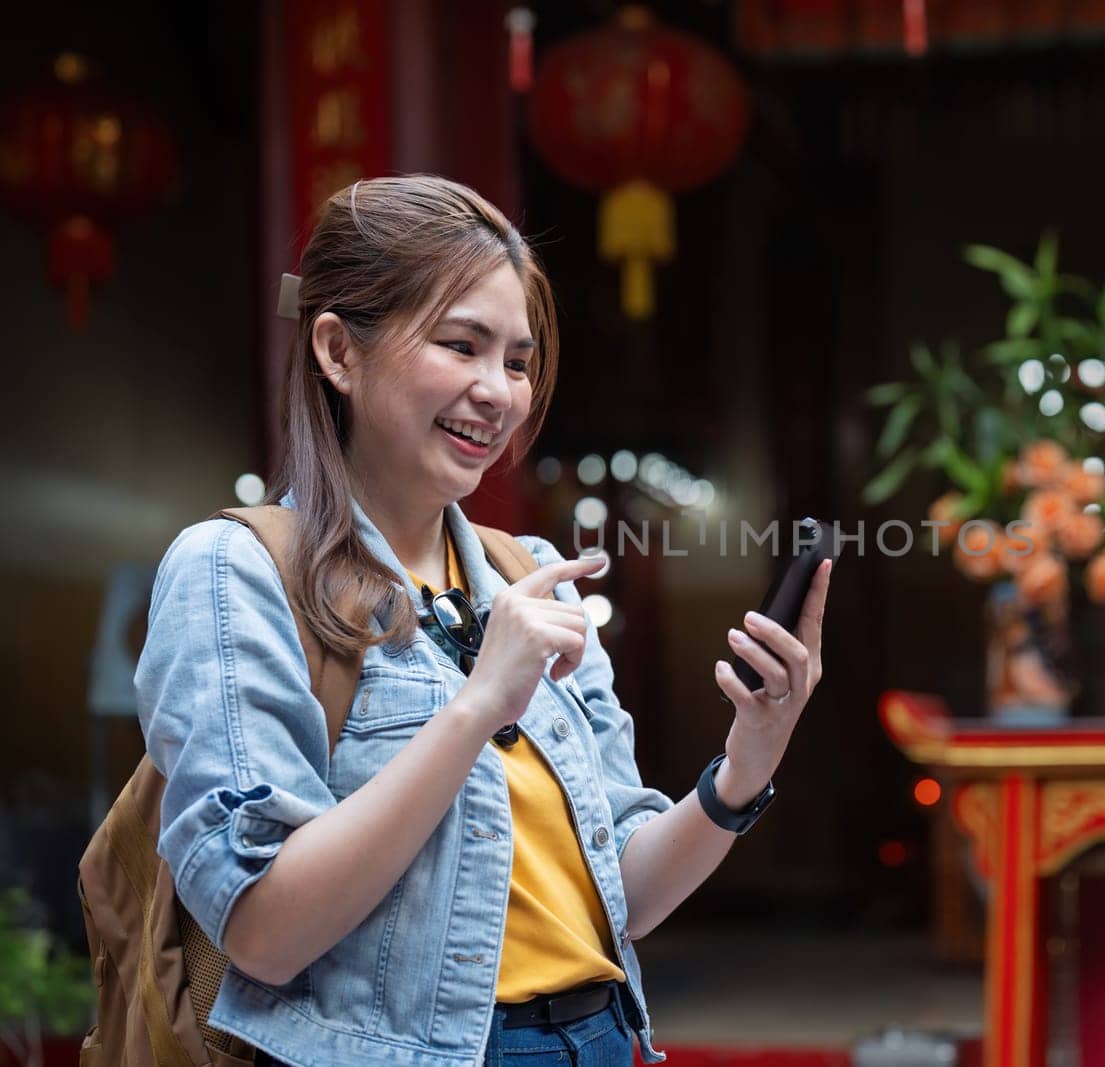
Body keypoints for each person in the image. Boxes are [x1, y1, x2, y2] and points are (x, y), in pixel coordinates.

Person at [135, 174, 833, 1067]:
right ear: (338, 352)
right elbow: (263, 928)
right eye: (461, 345)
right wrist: (476, 706)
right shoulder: (233, 570)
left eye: (516, 359)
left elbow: (623, 894)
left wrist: (750, 759)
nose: (497, 392)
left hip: (602, 1037)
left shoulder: (533, 574)